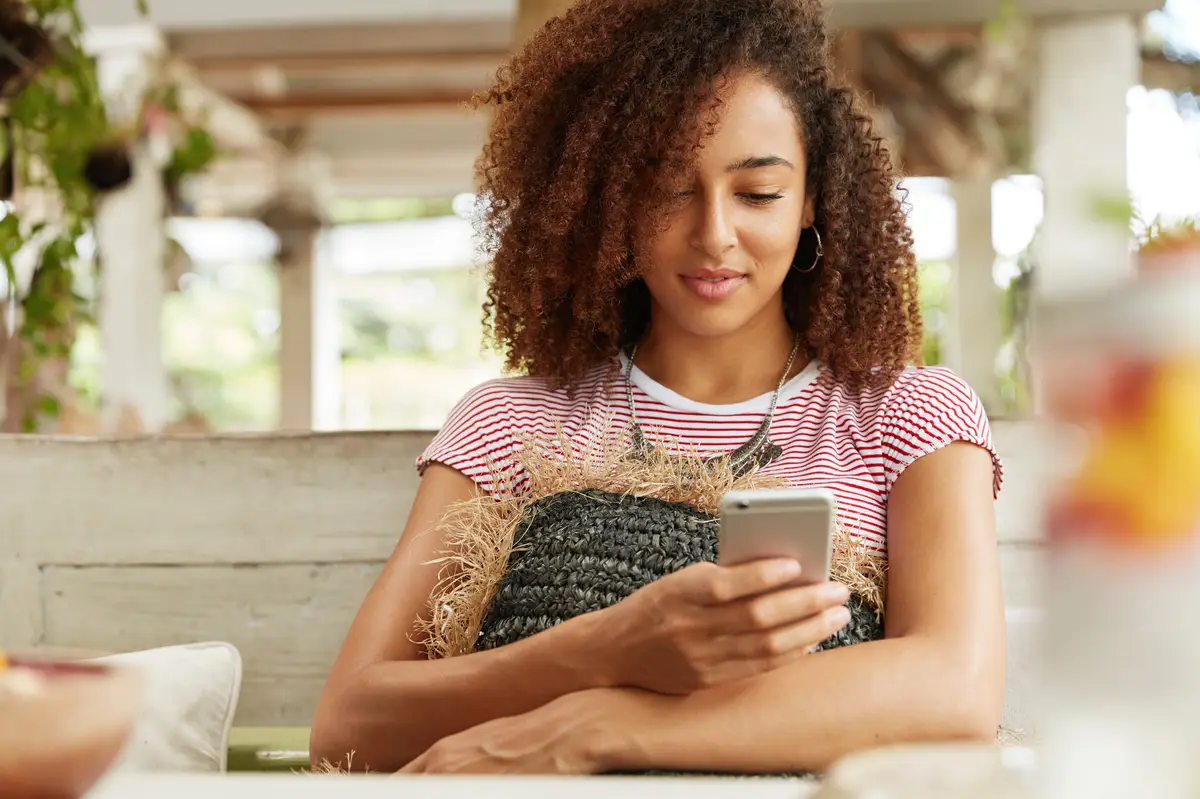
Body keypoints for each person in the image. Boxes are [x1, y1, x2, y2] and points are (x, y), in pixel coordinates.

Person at [310, 0, 1005, 776]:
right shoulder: (509, 423)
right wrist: (607, 646)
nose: (713, 233)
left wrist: (597, 725)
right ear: (610, 201)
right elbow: (348, 723)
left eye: (758, 193)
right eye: (669, 188)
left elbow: (957, 690)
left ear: (812, 198)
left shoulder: (907, 415)